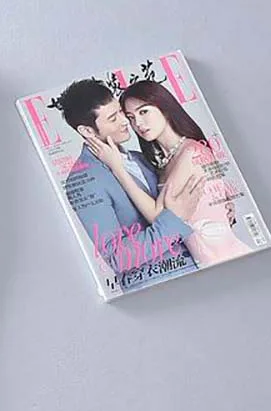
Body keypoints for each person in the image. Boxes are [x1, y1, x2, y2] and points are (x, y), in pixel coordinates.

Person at [86, 79, 251, 267]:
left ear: (163, 107)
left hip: (228, 260)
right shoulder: (163, 163)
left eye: (143, 112)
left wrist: (117, 168)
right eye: (131, 117)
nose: (138, 123)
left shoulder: (191, 153)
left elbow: (160, 218)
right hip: (203, 264)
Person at [56, 79, 203, 289]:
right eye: (113, 118)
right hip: (157, 286)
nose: (125, 121)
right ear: (87, 131)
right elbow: (118, 258)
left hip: (196, 268)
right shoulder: (84, 180)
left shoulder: (139, 158)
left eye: (120, 112)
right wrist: (175, 220)